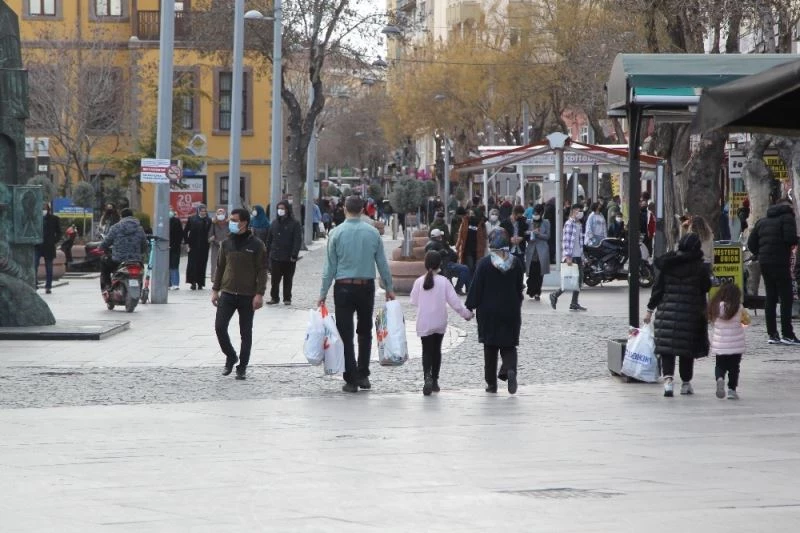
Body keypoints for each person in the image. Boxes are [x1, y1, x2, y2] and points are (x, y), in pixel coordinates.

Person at [318, 196, 395, 393]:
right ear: (362, 210)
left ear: (345, 209)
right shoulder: (372, 233)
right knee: (364, 330)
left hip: (343, 286)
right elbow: (382, 263)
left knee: (345, 333)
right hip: (365, 286)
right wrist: (389, 288)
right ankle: (363, 374)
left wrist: (323, 292)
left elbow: (329, 267)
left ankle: (351, 378)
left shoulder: (336, 233)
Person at [643, 233, 712, 397]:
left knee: (668, 348)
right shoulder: (700, 267)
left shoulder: (668, 264)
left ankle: (668, 382)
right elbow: (706, 287)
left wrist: (649, 310)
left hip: (667, 313)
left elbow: (658, 289)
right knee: (686, 350)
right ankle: (686, 383)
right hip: (691, 315)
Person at [211, 208, 267, 381]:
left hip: (247, 295)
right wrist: (215, 289)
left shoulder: (257, 244)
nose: (231, 222)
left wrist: (259, 293)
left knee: (246, 332)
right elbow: (220, 266)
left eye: (235, 220)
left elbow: (262, 270)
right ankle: (230, 355)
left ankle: (242, 366)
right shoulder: (226, 243)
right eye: (231, 220)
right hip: (227, 292)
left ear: (244, 222)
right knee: (220, 327)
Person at [465, 229, 524, 395]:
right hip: (510, 310)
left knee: (490, 348)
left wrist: (470, 306)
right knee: (509, 346)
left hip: (488, 313)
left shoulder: (484, 264)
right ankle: (509, 370)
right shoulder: (516, 263)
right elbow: (520, 286)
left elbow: (476, 288)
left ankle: (491, 384)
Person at [410, 251, 473, 396]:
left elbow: (414, 301)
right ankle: (435, 381)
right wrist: (467, 315)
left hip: (424, 321)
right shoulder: (444, 282)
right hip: (439, 321)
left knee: (426, 350)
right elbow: (455, 303)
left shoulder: (419, 281)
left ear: (425, 264)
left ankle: (427, 377)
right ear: (440, 264)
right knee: (436, 350)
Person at [747, 198, 800, 344]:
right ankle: (787, 334)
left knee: (770, 297)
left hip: (765, 263)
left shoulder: (762, 221)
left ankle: (772, 334)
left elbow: (751, 243)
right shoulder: (787, 218)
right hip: (780, 262)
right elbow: (790, 239)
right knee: (786, 297)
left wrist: (761, 253)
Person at [709, 282, 748, 400]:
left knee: (719, 365)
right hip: (736, 346)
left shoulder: (715, 307)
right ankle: (732, 390)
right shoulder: (739, 308)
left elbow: (712, 321)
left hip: (720, 345)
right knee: (734, 368)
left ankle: (720, 378)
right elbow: (746, 323)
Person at [99, 208, 147, 294]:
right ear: (132, 216)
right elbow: (144, 245)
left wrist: (101, 247)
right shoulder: (140, 229)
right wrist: (140, 253)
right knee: (140, 272)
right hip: (136, 260)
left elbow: (106, 242)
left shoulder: (115, 227)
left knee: (104, 262)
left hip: (118, 260)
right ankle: (139, 288)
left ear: (121, 217)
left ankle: (107, 287)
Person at [550, 203, 587, 311]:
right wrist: (568, 256)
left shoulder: (578, 224)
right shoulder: (569, 224)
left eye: (581, 211)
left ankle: (574, 302)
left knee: (579, 280)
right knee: (570, 280)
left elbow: (580, 242)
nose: (580, 213)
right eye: (578, 210)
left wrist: (582, 256)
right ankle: (555, 295)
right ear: (573, 211)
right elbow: (566, 241)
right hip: (571, 256)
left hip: (578, 255)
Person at [265, 200, 302, 305]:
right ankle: (274, 298)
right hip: (275, 256)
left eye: (282, 208)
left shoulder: (295, 223)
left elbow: (297, 240)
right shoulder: (274, 223)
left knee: (288, 279)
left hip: (289, 257)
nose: (280, 210)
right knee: (275, 279)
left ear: (287, 209)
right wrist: (267, 252)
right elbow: (269, 239)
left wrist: (294, 254)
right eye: (279, 208)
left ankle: (287, 298)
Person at [425, 228, 471, 295]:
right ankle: (458, 288)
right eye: (440, 235)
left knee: (465, 268)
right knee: (465, 268)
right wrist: (443, 252)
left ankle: (467, 289)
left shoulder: (438, 243)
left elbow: (448, 252)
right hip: (445, 265)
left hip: (447, 264)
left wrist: (452, 253)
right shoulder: (432, 244)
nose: (441, 237)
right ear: (438, 236)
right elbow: (431, 256)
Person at [524, 204, 550, 300]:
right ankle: (531, 289)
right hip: (531, 250)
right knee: (531, 272)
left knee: (539, 273)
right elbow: (524, 233)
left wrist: (538, 234)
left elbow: (547, 236)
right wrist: (529, 233)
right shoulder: (529, 222)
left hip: (541, 251)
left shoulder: (546, 222)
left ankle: (537, 292)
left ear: (541, 213)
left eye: (537, 213)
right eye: (534, 213)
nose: (535, 215)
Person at [183, 204, 211, 290]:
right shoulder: (192, 219)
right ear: (198, 211)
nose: (203, 213)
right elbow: (185, 231)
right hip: (193, 245)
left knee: (202, 264)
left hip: (204, 246)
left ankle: (200, 283)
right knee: (192, 264)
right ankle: (193, 282)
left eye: (204, 211)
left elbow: (211, 231)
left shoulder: (208, 220)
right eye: (202, 211)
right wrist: (187, 243)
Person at [35, 203, 61, 294]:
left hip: (49, 246)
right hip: (37, 245)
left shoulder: (54, 219)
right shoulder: (36, 218)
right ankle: (34, 284)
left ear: (48, 208)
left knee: (49, 267)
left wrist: (53, 241)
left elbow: (59, 233)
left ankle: (48, 286)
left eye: (45, 207)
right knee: (34, 265)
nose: (43, 208)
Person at [456, 209, 487, 274]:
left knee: (477, 269)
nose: (471, 215)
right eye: (470, 213)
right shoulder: (465, 222)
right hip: (468, 249)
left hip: (478, 250)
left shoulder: (481, 224)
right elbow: (460, 235)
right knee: (470, 267)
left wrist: (484, 247)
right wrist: (457, 246)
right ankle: (470, 283)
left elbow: (484, 237)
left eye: (473, 213)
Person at [208, 208, 229, 283]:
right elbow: (210, 235)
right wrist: (216, 241)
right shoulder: (214, 223)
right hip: (216, 246)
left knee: (227, 262)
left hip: (227, 246)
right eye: (219, 214)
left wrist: (225, 241)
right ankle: (214, 278)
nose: (221, 215)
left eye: (222, 213)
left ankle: (225, 278)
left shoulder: (228, 223)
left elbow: (231, 234)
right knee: (214, 262)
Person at [168, 208, 183, 290]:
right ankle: (168, 283)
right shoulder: (162, 221)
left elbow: (180, 234)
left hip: (175, 247)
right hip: (165, 248)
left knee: (174, 265)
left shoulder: (176, 221)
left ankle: (175, 283)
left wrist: (175, 244)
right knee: (167, 266)